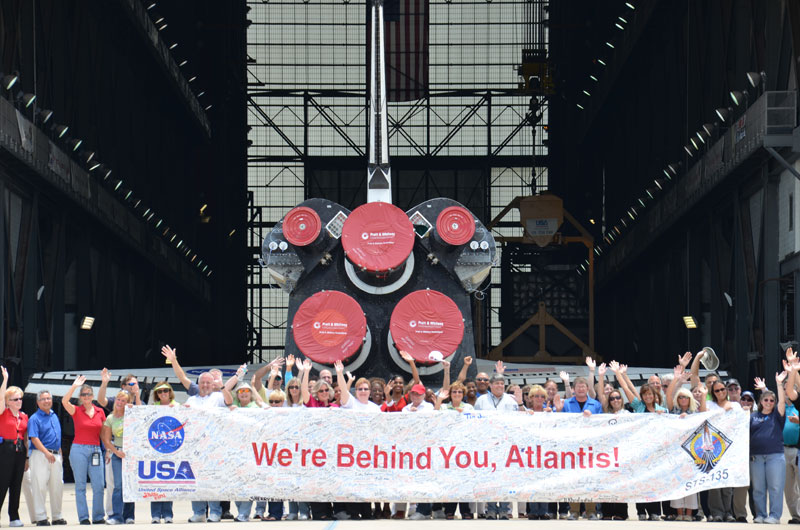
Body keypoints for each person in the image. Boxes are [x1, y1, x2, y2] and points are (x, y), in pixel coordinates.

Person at [474, 374, 522, 520]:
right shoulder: (481, 401)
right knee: (490, 478)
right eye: (496, 383)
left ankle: (504, 509)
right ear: (491, 386)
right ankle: (491, 509)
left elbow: (519, 419)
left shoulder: (511, 400)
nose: (499, 386)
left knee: (505, 478)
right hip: (488, 444)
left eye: (502, 383)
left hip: (506, 445)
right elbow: (474, 422)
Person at [61, 375, 106, 525]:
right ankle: (83, 517)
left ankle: (98, 516)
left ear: (93, 396)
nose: (86, 396)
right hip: (79, 450)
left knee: (98, 485)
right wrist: (74, 386)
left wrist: (108, 450)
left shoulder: (100, 411)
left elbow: (104, 433)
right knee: (80, 485)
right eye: (83, 394)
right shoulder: (76, 410)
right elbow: (64, 401)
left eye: (89, 394)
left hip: (95, 450)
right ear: (80, 397)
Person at [184, 371, 228, 523]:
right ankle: (198, 512)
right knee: (194, 480)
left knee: (212, 480)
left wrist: (222, 386)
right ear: (199, 383)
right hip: (195, 446)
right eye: (202, 382)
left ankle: (215, 512)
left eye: (208, 382)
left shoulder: (218, 397)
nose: (205, 385)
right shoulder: (191, 399)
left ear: (212, 384)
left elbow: (229, 401)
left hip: (213, 446)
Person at [750, 372, 787, 524]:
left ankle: (774, 516)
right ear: (761, 401)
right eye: (766, 399)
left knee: (776, 488)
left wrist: (778, 384)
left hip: (775, 456)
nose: (769, 402)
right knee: (758, 488)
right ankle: (760, 514)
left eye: (772, 400)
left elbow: (782, 402)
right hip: (756, 457)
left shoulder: (777, 415)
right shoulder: (753, 416)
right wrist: (764, 389)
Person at [27, 389, 66, 526]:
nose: (46, 401)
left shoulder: (54, 416)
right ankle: (41, 517)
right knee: (39, 486)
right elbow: (34, 438)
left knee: (57, 486)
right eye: (43, 399)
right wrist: (46, 452)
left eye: (48, 398)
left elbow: (56, 434)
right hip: (40, 455)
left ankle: (57, 516)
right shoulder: (34, 418)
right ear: (38, 402)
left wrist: (58, 449)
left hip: (55, 455)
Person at [101, 391, 134, 525]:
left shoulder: (132, 415)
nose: (120, 403)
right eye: (118, 400)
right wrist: (116, 451)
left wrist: (134, 408)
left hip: (131, 454)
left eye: (123, 401)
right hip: (117, 453)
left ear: (127, 403)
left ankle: (129, 516)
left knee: (129, 485)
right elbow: (107, 440)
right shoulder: (110, 418)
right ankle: (117, 516)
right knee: (118, 486)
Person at [0, 367, 28, 528]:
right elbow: (0, 400)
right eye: (15, 399)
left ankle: (14, 517)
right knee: (2, 483)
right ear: (8, 401)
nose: (19, 401)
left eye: (20, 399)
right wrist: (5, 379)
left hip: (19, 451)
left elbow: (25, 438)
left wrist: (27, 458)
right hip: (5, 450)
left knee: (16, 485)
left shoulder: (24, 416)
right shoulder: (3, 412)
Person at [149, 382, 177, 524]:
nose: (163, 393)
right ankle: (155, 514)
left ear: (170, 392)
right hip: (156, 449)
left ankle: (167, 514)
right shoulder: (153, 408)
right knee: (155, 483)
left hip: (172, 450)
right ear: (157, 394)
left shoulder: (177, 406)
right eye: (160, 392)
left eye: (166, 390)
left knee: (169, 483)